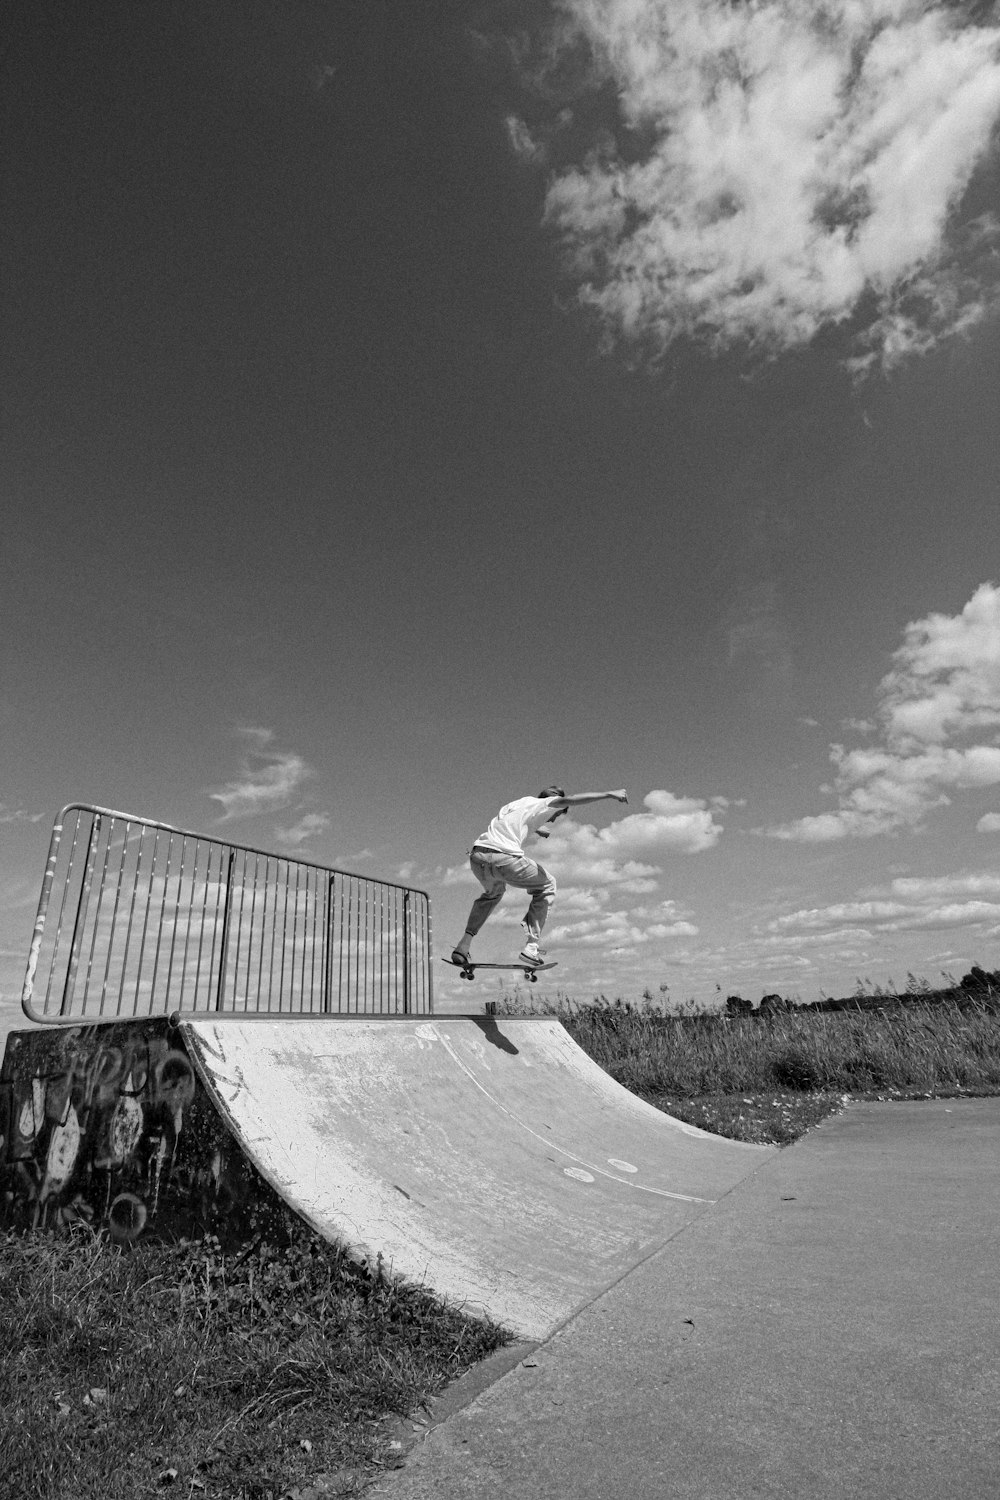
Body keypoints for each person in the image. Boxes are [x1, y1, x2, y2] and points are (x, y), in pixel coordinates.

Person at [452, 786, 629, 967]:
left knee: (493, 894)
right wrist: (609, 794)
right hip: (503, 858)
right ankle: (531, 947)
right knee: (548, 884)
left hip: (478, 857)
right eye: (556, 815)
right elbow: (571, 799)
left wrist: (536, 829)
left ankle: (463, 946)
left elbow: (512, 821)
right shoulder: (547, 803)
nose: (553, 819)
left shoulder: (518, 803)